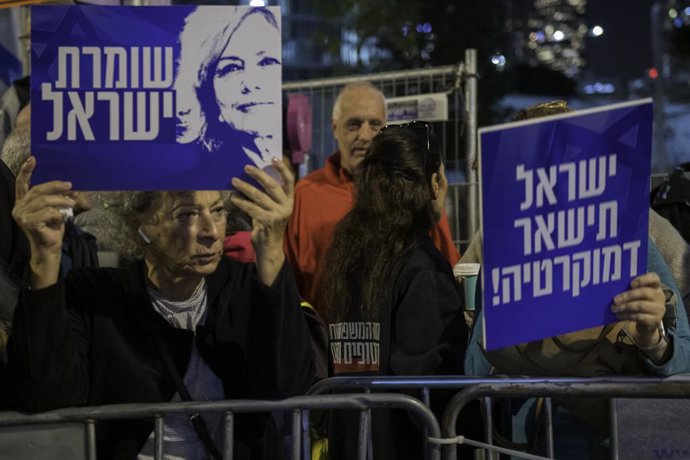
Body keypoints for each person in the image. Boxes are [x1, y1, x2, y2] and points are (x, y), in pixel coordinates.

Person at [8, 156, 317, 459]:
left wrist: (273, 251)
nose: (211, 231)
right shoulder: (95, 296)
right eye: (187, 215)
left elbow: (289, 386)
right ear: (138, 223)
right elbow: (44, 397)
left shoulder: (248, 288)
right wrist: (44, 254)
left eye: (219, 210)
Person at [464, 101, 690, 459]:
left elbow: (683, 363)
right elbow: (474, 369)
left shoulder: (631, 235)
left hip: (611, 438)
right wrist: (504, 308)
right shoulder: (508, 243)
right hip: (531, 440)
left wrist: (654, 339)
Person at [321, 122, 467, 460]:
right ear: (433, 184)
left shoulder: (351, 253)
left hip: (352, 440)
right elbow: (430, 386)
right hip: (399, 445)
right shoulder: (420, 265)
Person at [285, 82, 461, 315]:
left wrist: (434, 216)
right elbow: (289, 283)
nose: (365, 135)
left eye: (375, 125)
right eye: (354, 124)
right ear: (334, 128)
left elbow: (447, 269)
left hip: (397, 341)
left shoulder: (409, 189)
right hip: (326, 343)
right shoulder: (305, 194)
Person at [175, 7, 281, 171]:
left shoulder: (302, 177)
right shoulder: (197, 183)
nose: (251, 83)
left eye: (267, 62)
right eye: (231, 68)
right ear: (208, 93)